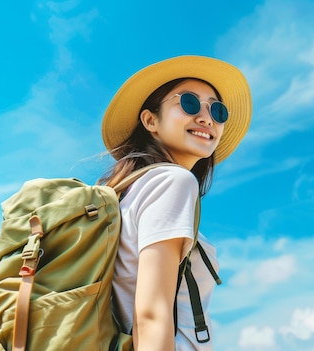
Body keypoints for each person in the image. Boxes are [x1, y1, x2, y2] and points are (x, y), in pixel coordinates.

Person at [99, 55, 252, 350]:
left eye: (217, 110)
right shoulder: (173, 182)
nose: (207, 118)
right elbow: (151, 315)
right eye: (189, 103)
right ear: (150, 120)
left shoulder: (128, 193)